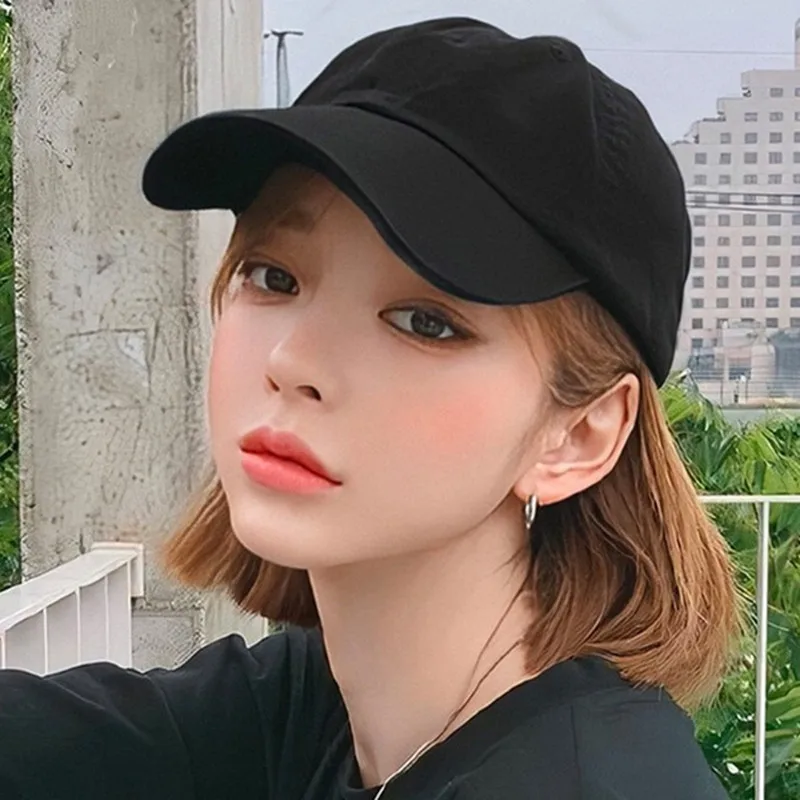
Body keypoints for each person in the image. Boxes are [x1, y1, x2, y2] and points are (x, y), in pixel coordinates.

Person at [0, 17, 739, 800]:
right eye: (275, 277)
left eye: (425, 322)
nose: (293, 361)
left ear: (579, 435)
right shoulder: (329, 702)